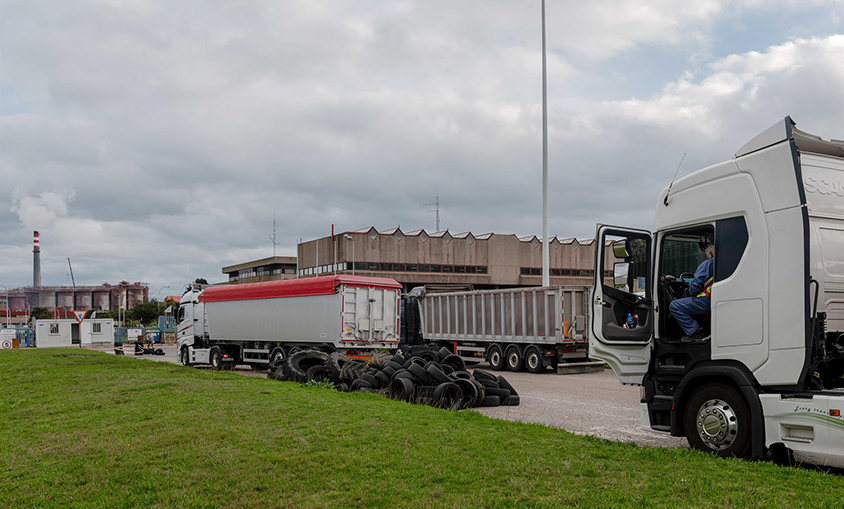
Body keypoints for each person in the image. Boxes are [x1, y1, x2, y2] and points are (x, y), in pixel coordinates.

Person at [668, 243, 714, 342]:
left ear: (710, 253)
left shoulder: (708, 263)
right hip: (713, 300)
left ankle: (695, 332)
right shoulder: (722, 264)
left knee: (674, 305)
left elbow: (696, 284)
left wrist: (690, 291)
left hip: (703, 301)